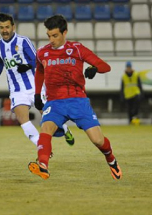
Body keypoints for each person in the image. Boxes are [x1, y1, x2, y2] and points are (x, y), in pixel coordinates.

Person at [29, 15, 122, 180]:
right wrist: (37, 94)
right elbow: (40, 72)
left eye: (55, 35)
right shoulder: (42, 52)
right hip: (55, 102)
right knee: (46, 129)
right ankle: (43, 166)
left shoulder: (77, 49)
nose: (51, 40)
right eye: (49, 36)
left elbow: (105, 66)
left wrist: (94, 69)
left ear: (65, 33)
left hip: (78, 101)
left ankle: (111, 159)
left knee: (98, 140)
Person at [0, 13, 75, 150]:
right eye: (2, 27)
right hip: (16, 90)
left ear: (13, 27)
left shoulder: (23, 41)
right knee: (24, 121)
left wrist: (27, 65)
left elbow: (37, 60)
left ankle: (65, 129)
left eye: (7, 27)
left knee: (48, 115)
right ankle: (43, 148)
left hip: (35, 86)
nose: (4, 30)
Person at [120, 61, 144, 125]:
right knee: (129, 110)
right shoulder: (124, 76)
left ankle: (135, 119)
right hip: (128, 95)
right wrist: (122, 96)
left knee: (136, 108)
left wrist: (141, 93)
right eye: (127, 67)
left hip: (136, 94)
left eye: (129, 67)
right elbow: (122, 87)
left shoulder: (136, 74)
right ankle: (130, 121)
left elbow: (139, 85)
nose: (128, 68)